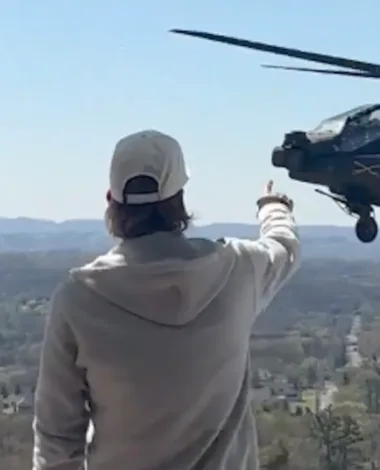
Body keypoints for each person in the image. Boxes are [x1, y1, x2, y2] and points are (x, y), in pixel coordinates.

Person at [32, 130, 301, 470]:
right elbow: (284, 247)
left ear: (110, 199)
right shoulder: (237, 269)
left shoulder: (79, 298)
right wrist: (274, 208)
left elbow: (56, 437)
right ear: (180, 199)